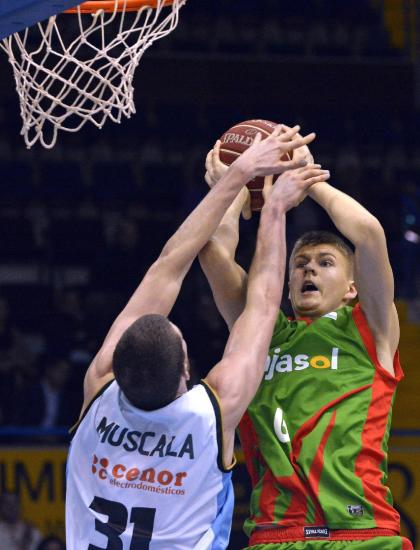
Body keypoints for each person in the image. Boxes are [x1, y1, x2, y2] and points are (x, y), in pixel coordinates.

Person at [65, 124, 329, 549]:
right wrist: (269, 202)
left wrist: (236, 180)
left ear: (117, 365)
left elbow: (173, 267)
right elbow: (254, 301)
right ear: (185, 369)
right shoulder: (207, 416)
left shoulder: (98, 394)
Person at [198, 139, 413, 549]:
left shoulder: (369, 329)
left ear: (352, 288)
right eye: (300, 264)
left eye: (324, 263)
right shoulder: (262, 335)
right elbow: (213, 255)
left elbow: (369, 233)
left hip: (364, 534)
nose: (309, 268)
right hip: (278, 534)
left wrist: (305, 177)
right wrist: (232, 187)